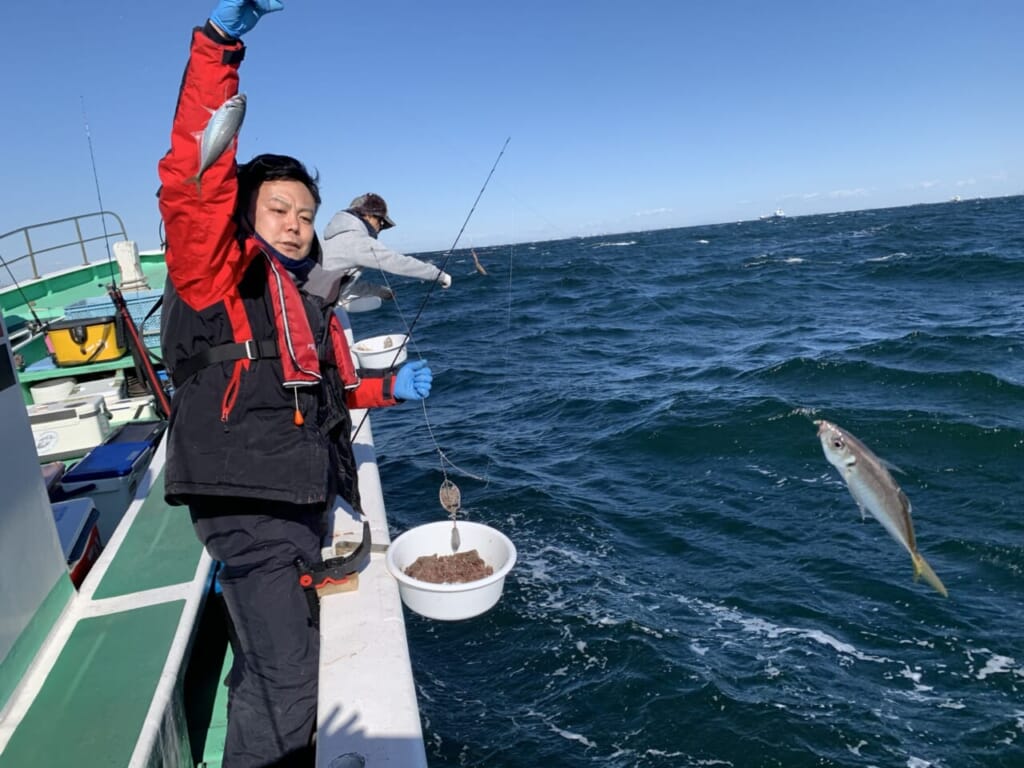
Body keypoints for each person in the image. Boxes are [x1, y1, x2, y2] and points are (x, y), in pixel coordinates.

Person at [156, 2, 433, 766]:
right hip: (249, 498)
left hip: (293, 494)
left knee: (278, 659)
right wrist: (220, 46)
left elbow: (331, 394)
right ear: (244, 214)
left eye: (307, 214)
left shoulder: (304, 302)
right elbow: (193, 178)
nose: (295, 224)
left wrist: (387, 391)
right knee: (286, 683)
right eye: (278, 208)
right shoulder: (215, 274)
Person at [322, 193, 453, 289]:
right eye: (381, 222)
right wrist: (439, 275)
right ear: (367, 216)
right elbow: (398, 263)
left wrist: (379, 291)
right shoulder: (357, 241)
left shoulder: (332, 239)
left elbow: (340, 290)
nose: (380, 228)